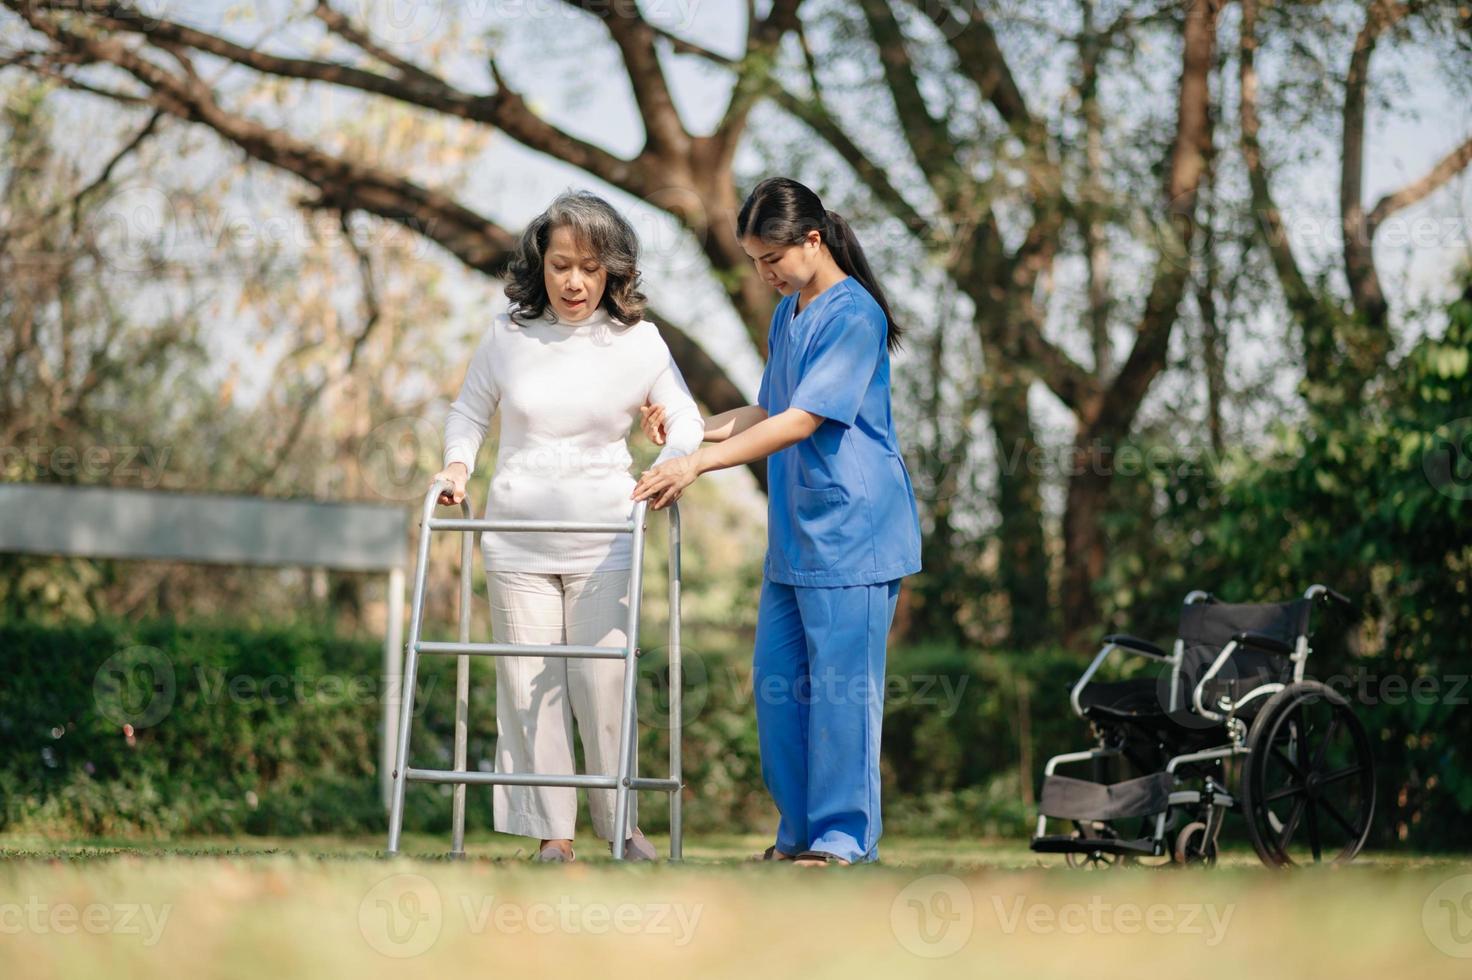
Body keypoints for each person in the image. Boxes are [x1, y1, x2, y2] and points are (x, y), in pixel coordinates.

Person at [633, 177, 922, 866]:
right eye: (755, 262)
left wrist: (701, 468)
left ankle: (843, 841)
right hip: (796, 543)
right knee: (778, 690)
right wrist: (691, 434)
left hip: (855, 535)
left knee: (844, 702)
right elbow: (767, 408)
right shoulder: (790, 314)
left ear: (813, 240)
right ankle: (798, 837)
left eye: (770, 259)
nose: (762, 275)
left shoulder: (855, 316)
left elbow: (804, 419)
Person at [431, 190, 704, 862]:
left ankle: (622, 829)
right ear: (540, 265)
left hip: (606, 539)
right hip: (516, 540)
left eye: (588, 266)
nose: (574, 281)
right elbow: (468, 413)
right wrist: (456, 469)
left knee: (601, 686)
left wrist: (673, 460)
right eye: (560, 265)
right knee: (528, 687)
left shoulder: (638, 342)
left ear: (613, 269)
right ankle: (554, 836)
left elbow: (688, 419)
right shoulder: (508, 336)